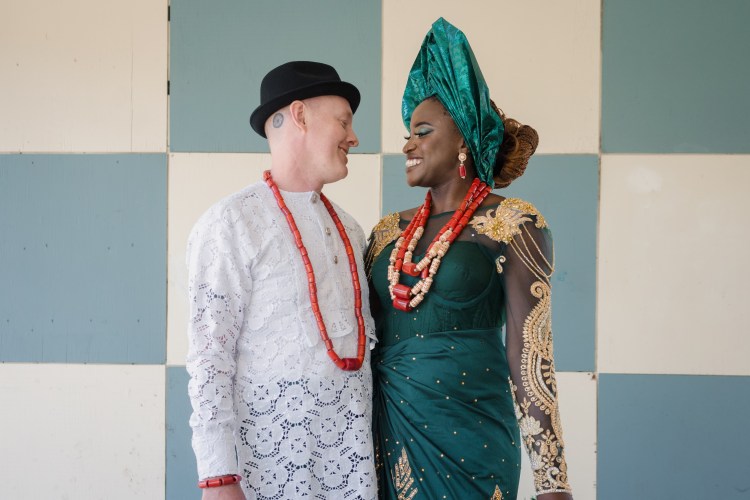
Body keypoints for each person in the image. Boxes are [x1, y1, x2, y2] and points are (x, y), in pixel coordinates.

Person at [367, 19, 573, 500]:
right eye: (407, 133)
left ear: (463, 140)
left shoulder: (514, 223)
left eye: (422, 132)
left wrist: (553, 483)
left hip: (473, 438)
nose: (408, 144)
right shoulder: (384, 233)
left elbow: (530, 353)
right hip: (388, 434)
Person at [186, 61, 378, 500]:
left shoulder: (350, 230)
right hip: (266, 472)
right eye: (344, 122)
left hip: (354, 471)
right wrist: (218, 476)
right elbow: (209, 357)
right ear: (300, 115)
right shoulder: (231, 223)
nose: (354, 138)